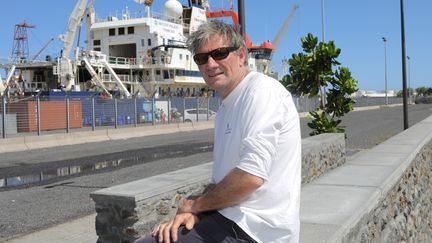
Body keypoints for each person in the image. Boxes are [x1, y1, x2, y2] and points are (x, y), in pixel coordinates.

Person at [134, 20, 301, 243]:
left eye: (220, 53)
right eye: (202, 58)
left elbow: (250, 178)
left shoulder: (262, 93)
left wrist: (196, 205)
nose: (210, 64)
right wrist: (192, 209)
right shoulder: (226, 107)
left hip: (257, 231)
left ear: (241, 55)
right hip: (230, 218)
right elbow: (220, 181)